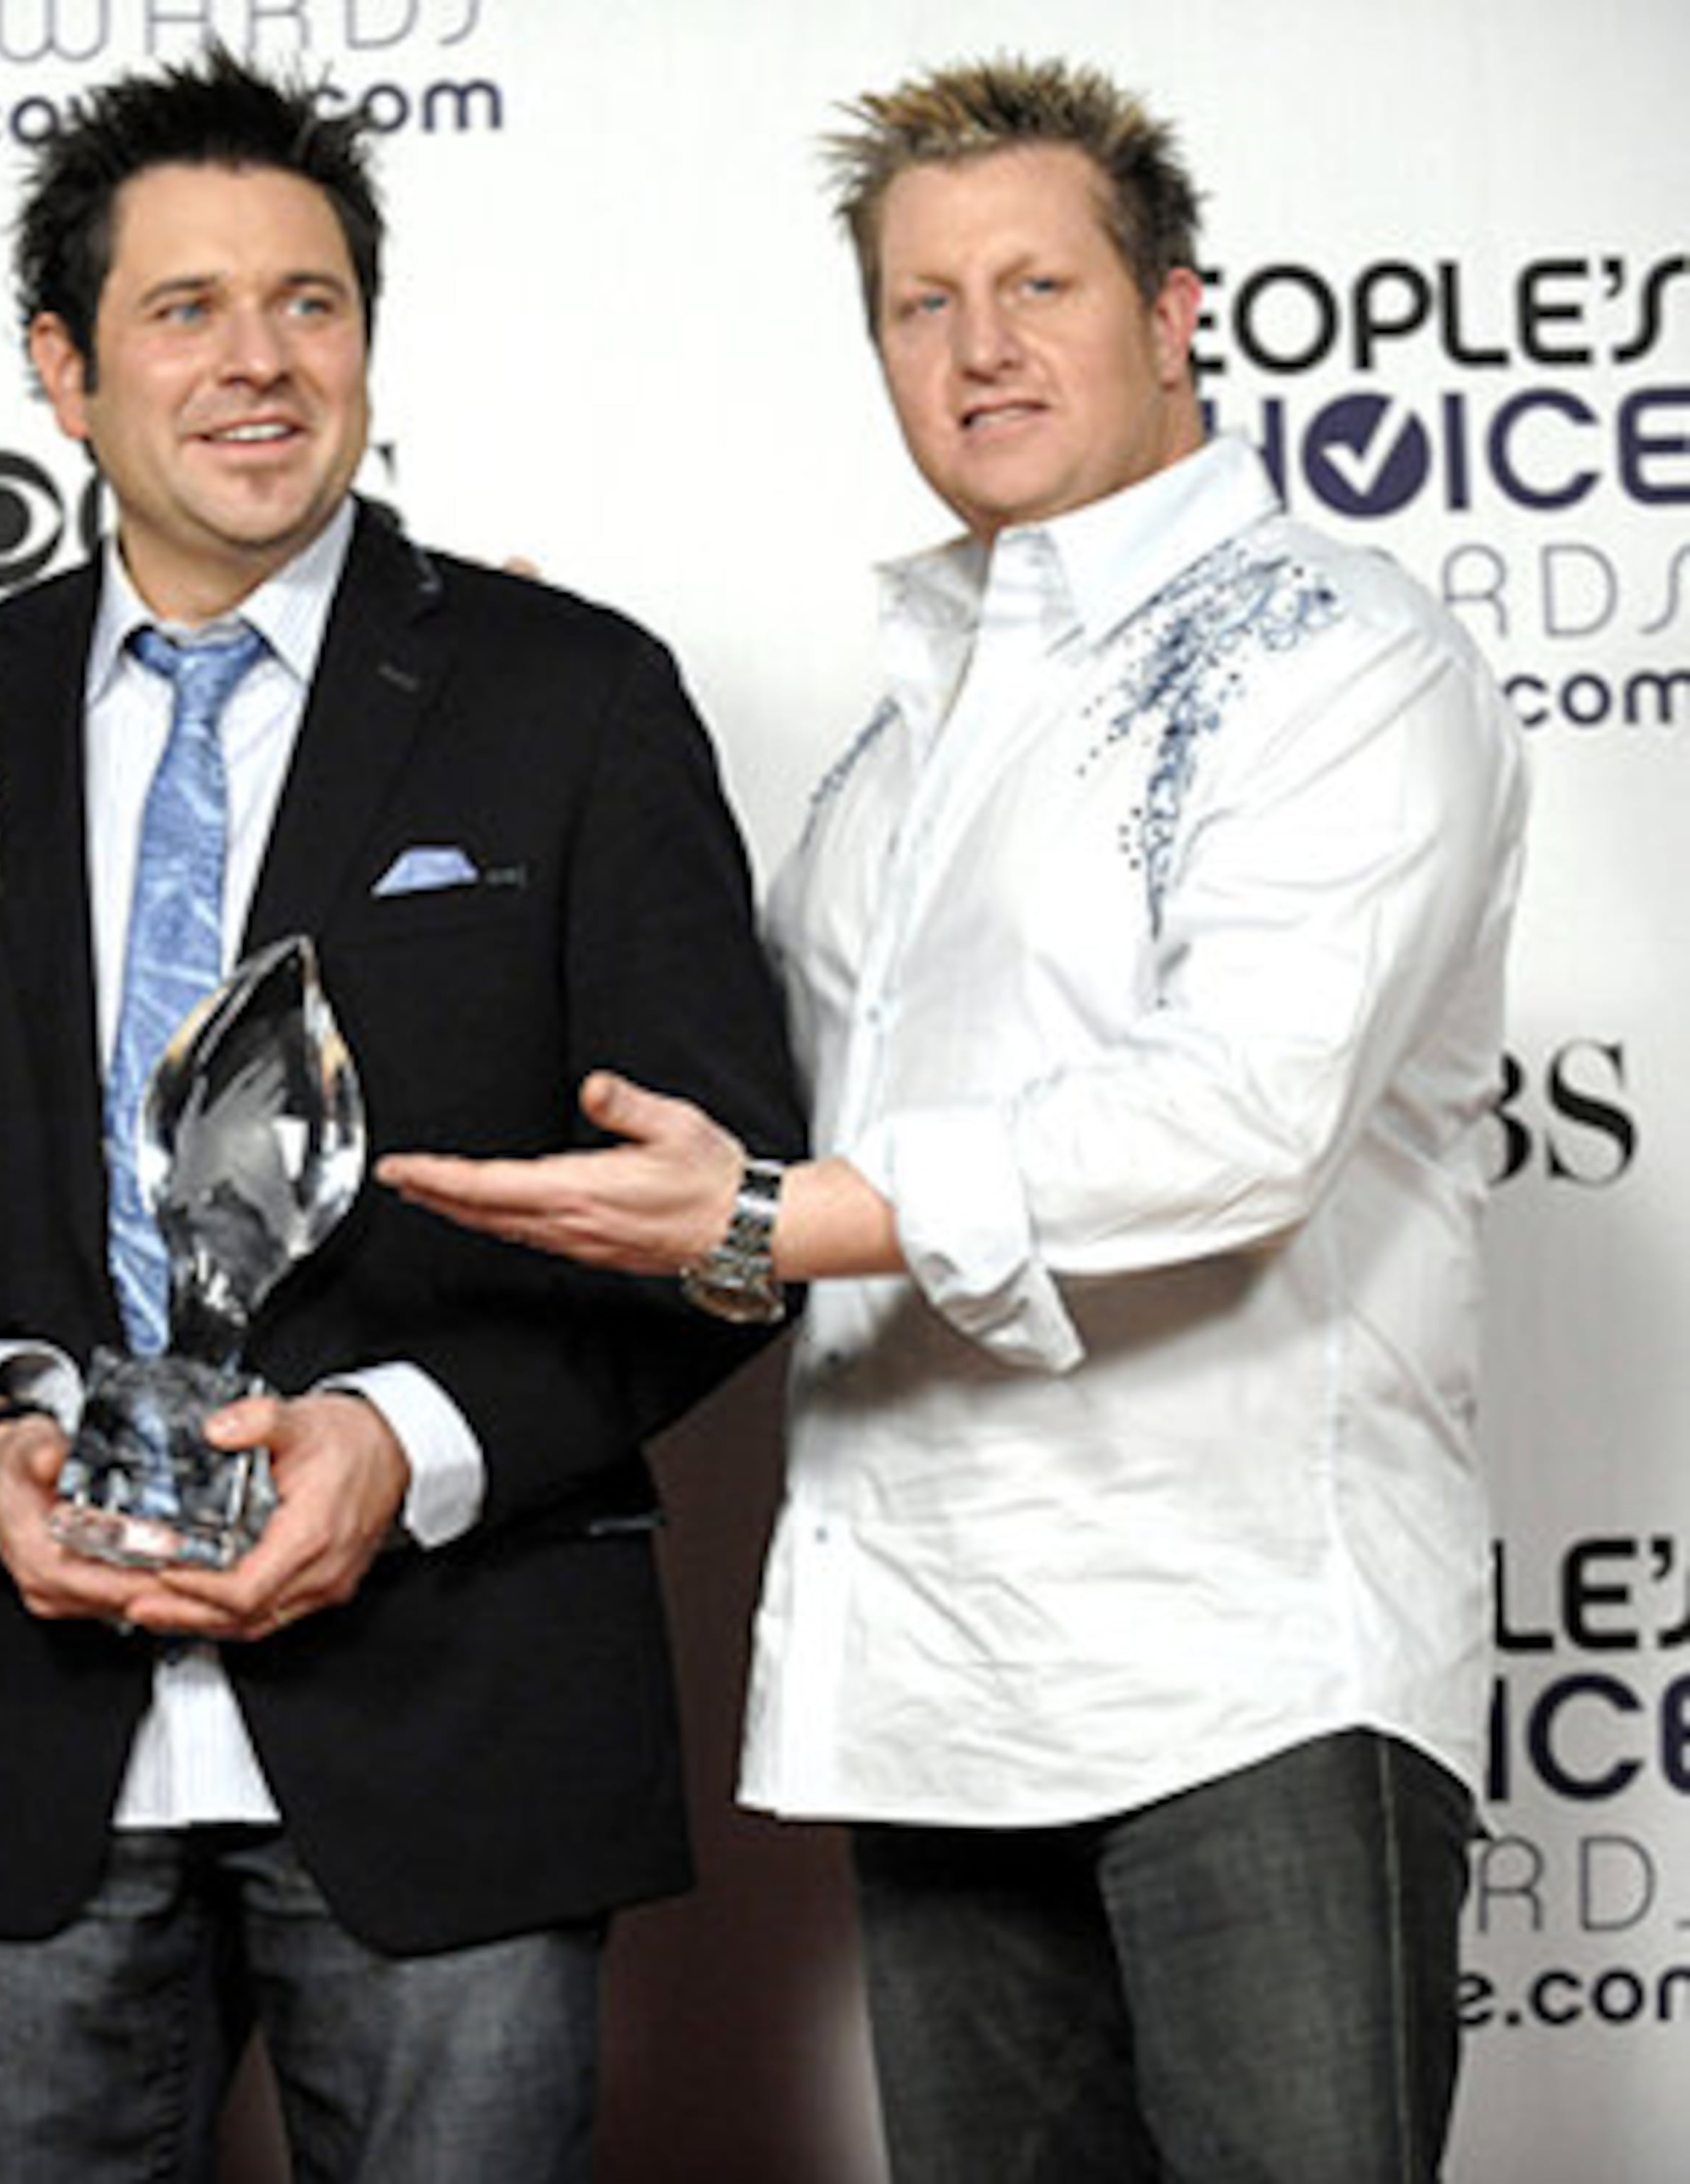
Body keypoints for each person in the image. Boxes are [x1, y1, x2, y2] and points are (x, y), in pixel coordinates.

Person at [384, 55, 1527, 2184]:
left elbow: (1241, 1115)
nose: (980, 346)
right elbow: (755, 1109)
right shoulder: (913, 734)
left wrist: (780, 1219)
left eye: (1037, 285)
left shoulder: (1345, 654)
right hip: (943, 1685)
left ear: (1180, 309)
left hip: (1251, 1670)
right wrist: (501, 765)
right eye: (923, 303)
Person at [0, 47, 803, 2183]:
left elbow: (733, 1226)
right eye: (184, 308)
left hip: (455, 1719)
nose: (259, 363)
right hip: (32, 1732)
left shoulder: (575, 699)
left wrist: (405, 1443)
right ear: (61, 365)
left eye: (310, 301)